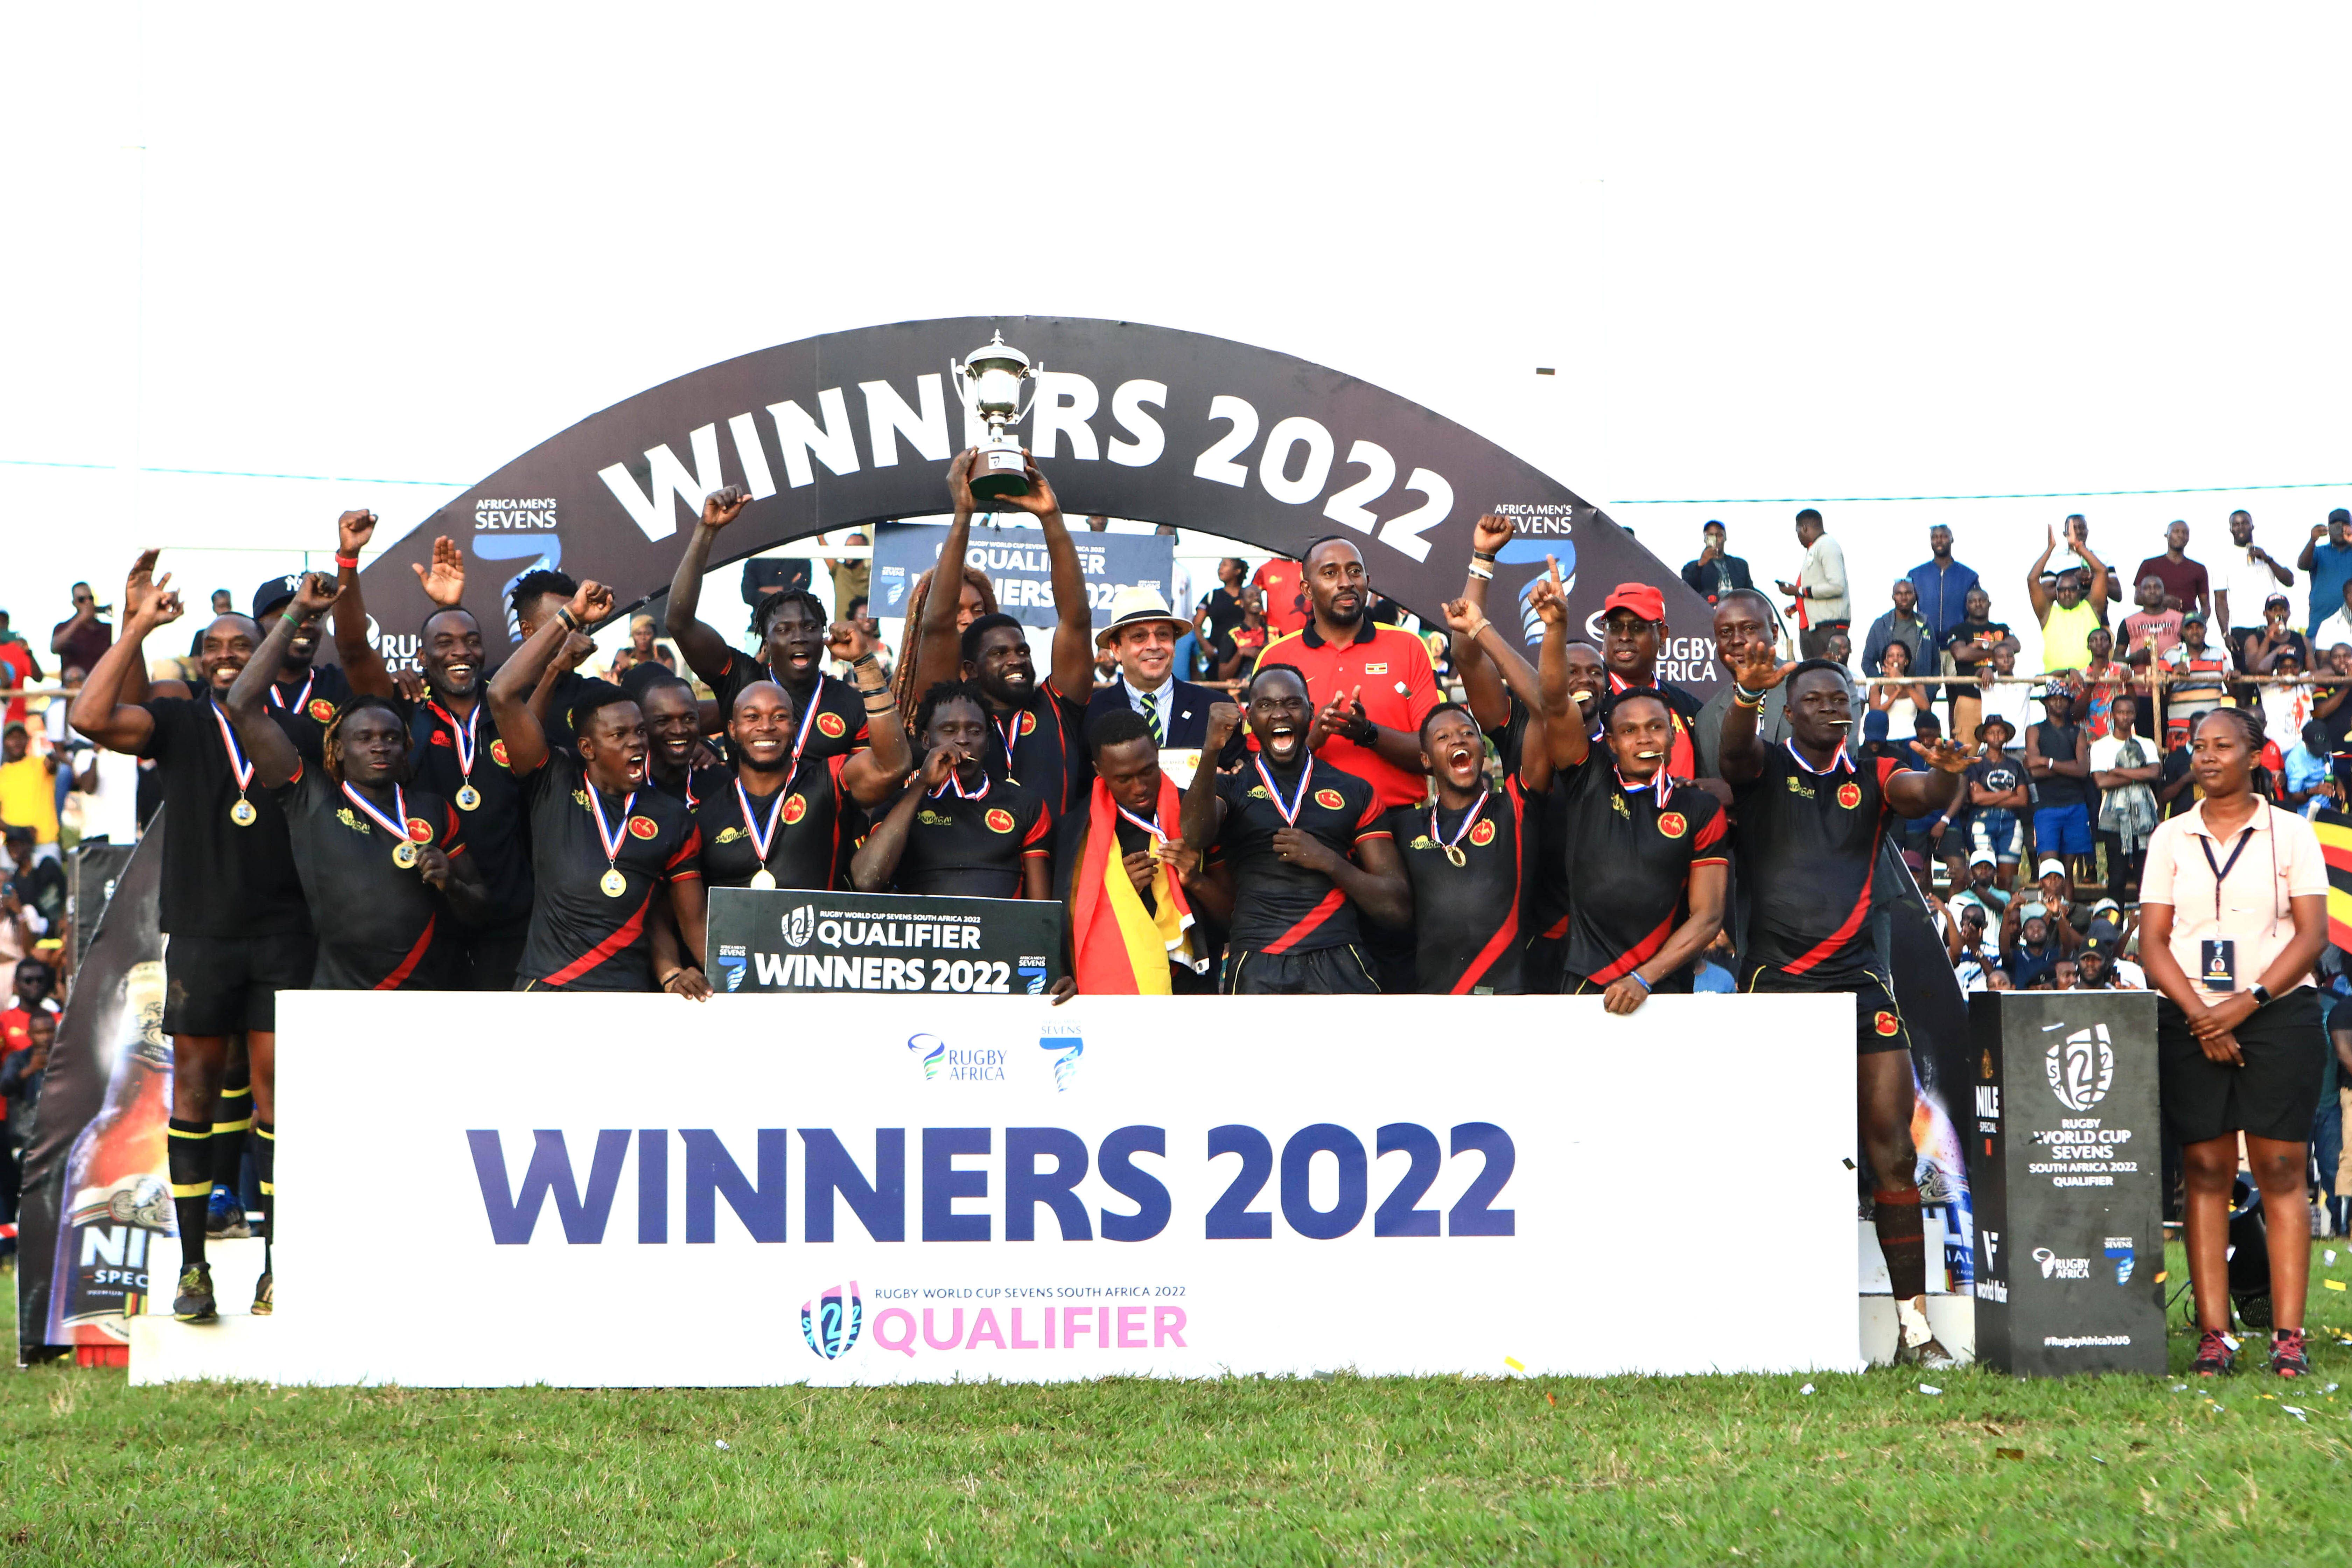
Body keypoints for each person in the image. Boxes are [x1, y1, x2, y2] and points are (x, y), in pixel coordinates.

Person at [69, 550, 315, 1323]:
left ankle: (280, 1262)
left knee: (279, 1102)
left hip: (286, 932)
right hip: (204, 935)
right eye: (212, 648)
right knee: (197, 1097)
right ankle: (195, 1268)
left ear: (266, 652)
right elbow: (89, 716)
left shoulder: (302, 723)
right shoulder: (177, 722)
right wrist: (137, 624)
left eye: (240, 646)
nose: (226, 657)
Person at [1716, 650, 1976, 1369]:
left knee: (1893, 1150)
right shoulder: (1764, 767)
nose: (1835, 705)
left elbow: (1924, 793)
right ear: (1790, 709)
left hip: (1863, 983)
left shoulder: (1874, 774)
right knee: (1778, 1157)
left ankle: (1915, 1332)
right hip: (1776, 983)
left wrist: (1951, 770)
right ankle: (1768, 1327)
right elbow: (1731, 752)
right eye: (1819, 697)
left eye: (1843, 696)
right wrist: (1746, 692)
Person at [2137, 708, 2330, 1378]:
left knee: (2280, 1168)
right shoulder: (2170, 837)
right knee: (2207, 1171)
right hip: (2189, 1015)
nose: (2207, 756)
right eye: (2199, 747)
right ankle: (2215, 1334)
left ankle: (2288, 1334)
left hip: (2276, 1012)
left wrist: (2244, 1007)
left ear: (2256, 755)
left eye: (2223, 746)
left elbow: (2313, 937)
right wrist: (2202, 1017)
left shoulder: (2292, 833)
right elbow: (2151, 943)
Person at [486, 580, 709, 998]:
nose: (637, 743)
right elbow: (502, 694)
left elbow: (688, 921)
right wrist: (569, 620)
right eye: (620, 735)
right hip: (546, 989)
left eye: (641, 732)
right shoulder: (555, 779)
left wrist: (734, 989)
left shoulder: (672, 817)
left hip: (626, 996)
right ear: (586, 748)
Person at [1540, 585, 1728, 1004]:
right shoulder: (1589, 755)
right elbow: (1553, 703)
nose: (1643, 737)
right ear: (1608, 740)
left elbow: (1708, 911)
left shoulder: (1691, 712)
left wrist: (1645, 977)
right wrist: (1555, 628)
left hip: (1667, 963)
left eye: (1638, 627)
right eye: (1615, 627)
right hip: (1579, 954)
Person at [1178, 665, 1409, 994]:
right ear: (1248, 717)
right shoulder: (1230, 788)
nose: (1280, 714)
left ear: (1311, 712)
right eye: (1266, 705)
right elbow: (1195, 834)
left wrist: (1329, 861)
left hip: (1340, 959)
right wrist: (1211, 748)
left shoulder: (1354, 791)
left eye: (1292, 703)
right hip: (1257, 961)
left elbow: (1397, 909)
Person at [899, 452, 1094, 820]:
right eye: (1000, 654)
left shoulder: (1057, 707)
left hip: (1055, 872)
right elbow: (937, 626)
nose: (1017, 660)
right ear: (970, 669)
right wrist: (962, 517)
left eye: (1022, 651)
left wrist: (1050, 517)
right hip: (975, 872)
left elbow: (1076, 619)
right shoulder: (951, 713)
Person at [1383, 592, 1559, 995]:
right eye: (1443, 737)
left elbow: (1546, 709)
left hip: (1509, 1002)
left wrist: (1483, 631)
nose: (1458, 740)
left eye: (1468, 733)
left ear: (1484, 750)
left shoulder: (1514, 806)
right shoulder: (1405, 825)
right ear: (1426, 759)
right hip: (1433, 1005)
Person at [667, 487, 876, 771]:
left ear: (824, 636)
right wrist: (707, 531)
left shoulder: (850, 702)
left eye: (810, 627)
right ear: (766, 641)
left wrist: (865, 663)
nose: (799, 637)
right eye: (784, 630)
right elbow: (679, 622)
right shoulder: (742, 680)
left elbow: (873, 784)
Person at [1254, 536, 1442, 811]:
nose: (1346, 582)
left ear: (1367, 580)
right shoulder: (1276, 657)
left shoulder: (1409, 647)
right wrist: (1313, 740)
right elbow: (1257, 764)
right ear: (1307, 589)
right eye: (1330, 573)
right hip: (1305, 825)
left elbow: (1435, 753)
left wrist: (1369, 734)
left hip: (1398, 823)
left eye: (1355, 572)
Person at [1061, 707, 1218, 994]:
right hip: (1117, 985)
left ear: (1158, 753)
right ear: (1099, 771)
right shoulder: (1076, 830)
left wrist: (1195, 880)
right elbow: (1069, 925)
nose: (1140, 787)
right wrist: (1121, 893)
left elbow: (1233, 917)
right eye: (1124, 779)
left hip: (1192, 984)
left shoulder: (1195, 814)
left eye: (1148, 771)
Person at [854, 681, 1052, 899]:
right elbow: (867, 880)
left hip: (1000, 932)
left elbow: (1040, 913)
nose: (963, 740)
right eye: (949, 730)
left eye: (975, 731)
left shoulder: (1024, 805)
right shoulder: (896, 803)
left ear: (987, 741)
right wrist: (921, 785)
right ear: (926, 740)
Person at [248, 556, 358, 763]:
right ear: (257, 626)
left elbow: (357, 651)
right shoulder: (239, 689)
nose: (305, 624)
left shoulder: (340, 684)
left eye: (315, 617)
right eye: (291, 615)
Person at [1084, 588, 1223, 750]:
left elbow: (1237, 771)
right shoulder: (1090, 714)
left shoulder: (1213, 708)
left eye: (1163, 635)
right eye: (1139, 637)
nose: (1154, 645)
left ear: (1174, 644)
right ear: (1116, 649)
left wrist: (1222, 776)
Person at [1692, 590, 1791, 779]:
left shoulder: (1816, 684)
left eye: (1749, 629)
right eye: (1725, 632)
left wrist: (1736, 795)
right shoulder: (1706, 719)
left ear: (1775, 633)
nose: (1737, 640)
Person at [2091, 694, 2162, 896]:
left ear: (2135, 715)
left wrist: (2118, 772)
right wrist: (2139, 776)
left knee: (2145, 875)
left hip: (2145, 816)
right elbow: (2101, 781)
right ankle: (2115, 923)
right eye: (2121, 712)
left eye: (2130, 713)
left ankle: (2144, 923)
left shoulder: (2146, 743)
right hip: (2114, 817)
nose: (2125, 717)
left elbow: (2154, 774)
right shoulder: (2100, 746)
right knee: (2117, 876)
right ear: (2112, 715)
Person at [2024, 682, 2093, 877]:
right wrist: (2068, 767)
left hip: (2075, 804)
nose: (2058, 703)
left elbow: (2082, 771)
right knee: (2049, 870)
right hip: (2046, 805)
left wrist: (2048, 762)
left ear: (2070, 703)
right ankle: (2051, 908)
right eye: (2054, 699)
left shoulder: (2078, 732)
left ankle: (2067, 908)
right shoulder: (2034, 730)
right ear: (2046, 703)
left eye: (2063, 699)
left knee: (2068, 872)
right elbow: (2035, 772)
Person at [2025, 523, 2112, 677]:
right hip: (2057, 683)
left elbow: (2102, 572)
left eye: (2072, 589)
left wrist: (2079, 547)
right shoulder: (2048, 613)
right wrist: (2050, 548)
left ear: (2080, 591)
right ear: (2056, 593)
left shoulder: (2091, 608)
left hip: (2089, 680)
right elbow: (2032, 579)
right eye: (2061, 590)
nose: (2067, 594)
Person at [2217, 510, 2294, 664]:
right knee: (2246, 679)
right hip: (2242, 628)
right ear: (2231, 529)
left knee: (2275, 671)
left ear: (2253, 526)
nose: (2241, 527)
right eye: (2236, 524)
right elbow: (2221, 600)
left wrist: (2267, 559)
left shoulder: (2267, 552)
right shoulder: (2223, 558)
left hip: (2272, 624)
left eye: (2245, 523)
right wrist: (2226, 634)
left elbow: (2289, 580)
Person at [1776, 507, 1849, 659]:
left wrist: (1799, 591)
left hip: (1830, 631)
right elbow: (1816, 588)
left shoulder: (1827, 545)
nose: (1798, 536)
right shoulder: (1815, 548)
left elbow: (1837, 587)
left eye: (1797, 532)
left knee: (1832, 673)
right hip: (1815, 630)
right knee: (1813, 677)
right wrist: (1798, 606)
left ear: (1804, 528)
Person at [1906, 526, 1980, 650]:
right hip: (1926, 645)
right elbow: (1906, 609)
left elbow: (1977, 612)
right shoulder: (1916, 575)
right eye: (1935, 537)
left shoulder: (1969, 576)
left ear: (1952, 539)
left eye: (1944, 537)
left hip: (1959, 646)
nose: (1939, 541)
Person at [2160, 612, 2233, 737]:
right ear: (2182, 631)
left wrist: (2233, 677)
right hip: (2180, 730)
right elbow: (2160, 700)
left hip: (2212, 728)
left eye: (2199, 627)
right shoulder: (2169, 655)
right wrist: (2173, 677)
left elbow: (2233, 692)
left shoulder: (2219, 654)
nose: (2195, 631)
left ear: (2206, 630)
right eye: (2190, 628)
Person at [1859, 579, 1933, 687]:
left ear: (1915, 596)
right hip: (1889, 697)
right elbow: (1867, 662)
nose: (1904, 598)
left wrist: (1930, 691)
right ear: (1893, 597)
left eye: (1908, 593)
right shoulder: (1881, 625)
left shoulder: (1926, 624)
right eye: (1899, 594)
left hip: (1920, 697)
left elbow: (1936, 662)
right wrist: (1883, 684)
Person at [0, 722, 59, 855]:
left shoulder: (40, 763)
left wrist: (53, 756)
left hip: (45, 845)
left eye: (20, 738)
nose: (16, 742)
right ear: (4, 742)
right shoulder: (2, 775)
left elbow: (52, 766)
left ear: (28, 740)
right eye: (12, 738)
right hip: (14, 849)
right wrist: (16, 831)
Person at [2134, 519, 2212, 619]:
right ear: (2167, 536)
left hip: (2186, 627)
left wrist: (2199, 624)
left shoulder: (2199, 569)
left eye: (2185, 533)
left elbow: (2206, 606)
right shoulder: (2149, 565)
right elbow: (2138, 598)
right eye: (2176, 532)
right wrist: (2161, 601)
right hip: (2156, 625)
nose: (2181, 535)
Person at [2118, 572, 2186, 682]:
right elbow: (2116, 658)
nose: (2152, 591)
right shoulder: (2128, 623)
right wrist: (2133, 658)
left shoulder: (2181, 619)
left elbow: (2191, 651)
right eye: (2147, 588)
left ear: (2164, 591)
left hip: (2174, 686)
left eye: (2157, 587)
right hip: (2140, 686)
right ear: (2140, 593)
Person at [2298, 509, 2352, 637]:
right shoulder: (2319, 551)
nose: (2340, 529)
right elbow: (2302, 565)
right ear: (2328, 529)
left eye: (2344, 526)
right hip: (2320, 625)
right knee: (2319, 657)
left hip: (2350, 627)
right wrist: (2313, 540)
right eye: (2335, 526)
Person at [1679, 520, 1753, 606]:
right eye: (1711, 536)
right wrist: (1700, 565)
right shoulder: (1692, 568)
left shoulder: (1741, 566)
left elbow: (1751, 595)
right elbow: (1686, 590)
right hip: (1708, 614)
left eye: (1719, 535)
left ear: (1725, 538)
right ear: (1705, 539)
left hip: (1736, 613)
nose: (1716, 539)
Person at [50, 581, 113, 678]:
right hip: (75, 688)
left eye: (91, 598)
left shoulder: (107, 629)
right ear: (75, 603)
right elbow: (55, 648)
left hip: (102, 685)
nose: (88, 602)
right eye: (82, 600)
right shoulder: (63, 627)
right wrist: (80, 619)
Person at [2079, 626, 2129, 738]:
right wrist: (2090, 688)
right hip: (2091, 738)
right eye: (2094, 640)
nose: (2099, 643)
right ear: (2088, 646)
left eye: (2104, 639)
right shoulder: (2082, 675)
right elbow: (2076, 714)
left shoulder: (2123, 670)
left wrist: (2129, 682)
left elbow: (2134, 707)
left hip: (2121, 738)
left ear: (2111, 645)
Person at [2280, 718, 2336, 818]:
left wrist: (2338, 783)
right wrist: (2315, 790)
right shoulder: (2296, 761)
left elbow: (2329, 771)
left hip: (2326, 806)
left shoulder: (2326, 751)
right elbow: (2294, 797)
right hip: (2306, 813)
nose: (2321, 752)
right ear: (2305, 742)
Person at [1250, 554, 1310, 639]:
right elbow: (1251, 594)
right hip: (1275, 634)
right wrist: (1262, 615)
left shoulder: (1306, 567)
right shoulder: (1265, 569)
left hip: (1306, 631)